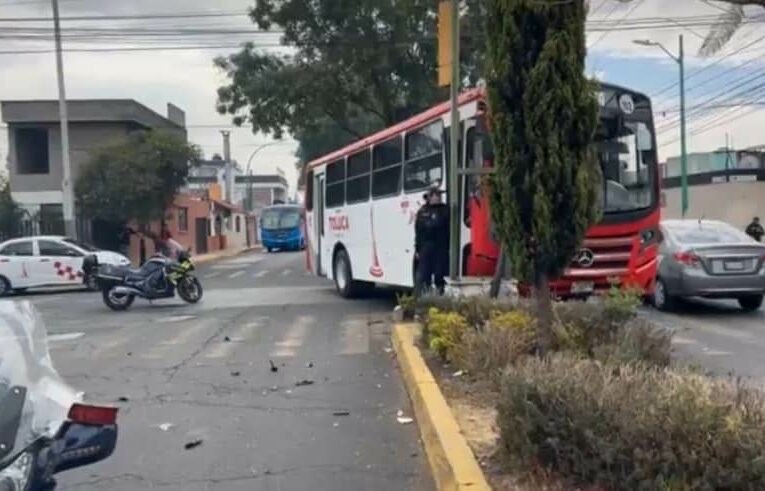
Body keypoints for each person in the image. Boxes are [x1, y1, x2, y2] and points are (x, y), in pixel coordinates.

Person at [415, 187, 450, 295]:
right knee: (425, 275)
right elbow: (419, 231)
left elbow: (441, 224)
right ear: (430, 197)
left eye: (439, 195)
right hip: (426, 246)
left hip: (441, 246)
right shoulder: (423, 211)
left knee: (440, 274)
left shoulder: (445, 209)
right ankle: (425, 297)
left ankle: (440, 294)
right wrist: (417, 249)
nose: (439, 197)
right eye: (436, 195)